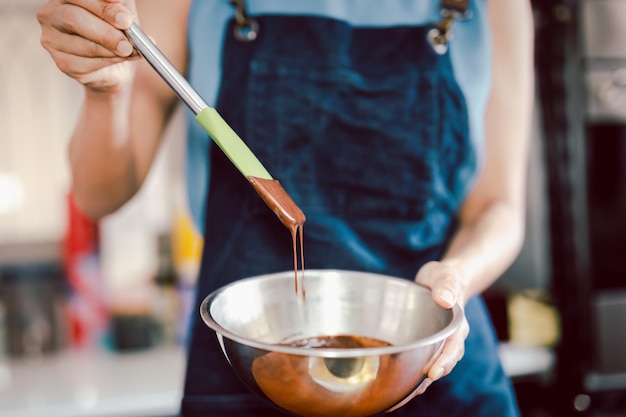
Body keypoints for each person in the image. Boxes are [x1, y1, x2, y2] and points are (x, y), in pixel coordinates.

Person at [37, 0, 535, 416]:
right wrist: (106, 92)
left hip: (431, 368)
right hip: (248, 373)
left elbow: (500, 208)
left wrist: (457, 278)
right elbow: (97, 196)